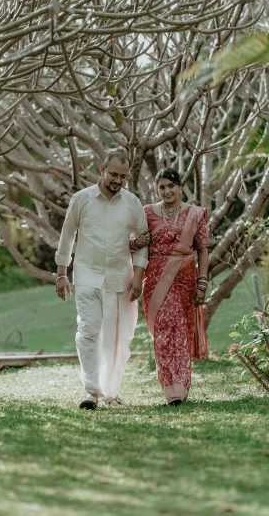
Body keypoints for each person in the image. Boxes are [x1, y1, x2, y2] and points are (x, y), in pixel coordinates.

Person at [54, 148, 149, 410]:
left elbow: (143, 243)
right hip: (87, 276)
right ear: (101, 169)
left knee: (119, 338)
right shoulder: (81, 199)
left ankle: (111, 391)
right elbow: (67, 237)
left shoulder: (132, 203)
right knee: (88, 331)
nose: (118, 180)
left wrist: (138, 276)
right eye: (114, 174)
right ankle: (91, 391)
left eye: (124, 176)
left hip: (121, 278)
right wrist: (61, 273)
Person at [142, 168, 209, 405]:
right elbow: (136, 243)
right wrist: (135, 243)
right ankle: (169, 387)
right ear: (157, 189)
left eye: (171, 186)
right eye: (162, 187)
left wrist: (202, 282)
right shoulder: (147, 213)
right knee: (163, 332)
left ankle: (180, 388)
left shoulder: (196, 214)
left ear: (180, 187)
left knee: (181, 331)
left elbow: (202, 248)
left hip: (186, 280)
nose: (167, 191)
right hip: (156, 280)